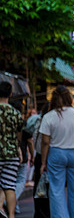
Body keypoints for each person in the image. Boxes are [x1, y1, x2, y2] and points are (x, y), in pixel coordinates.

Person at [39, 86, 74, 218]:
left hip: (56, 154)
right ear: (69, 97)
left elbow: (45, 142)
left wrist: (43, 162)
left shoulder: (49, 117)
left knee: (56, 190)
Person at [0, 82, 23, 218]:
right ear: (10, 94)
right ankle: (12, 215)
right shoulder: (15, 113)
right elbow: (18, 135)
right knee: (9, 186)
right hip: (12, 154)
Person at [9, 100, 34, 214]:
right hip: (21, 156)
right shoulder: (23, 123)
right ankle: (7, 201)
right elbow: (30, 142)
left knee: (9, 181)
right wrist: (33, 156)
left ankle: (14, 206)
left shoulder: (6, 120)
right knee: (20, 181)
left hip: (7, 155)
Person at [32, 102, 51, 218]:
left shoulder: (40, 120)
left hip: (39, 155)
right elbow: (45, 142)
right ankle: (47, 213)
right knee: (49, 186)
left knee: (39, 185)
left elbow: (35, 138)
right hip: (48, 156)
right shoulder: (51, 120)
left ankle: (39, 213)